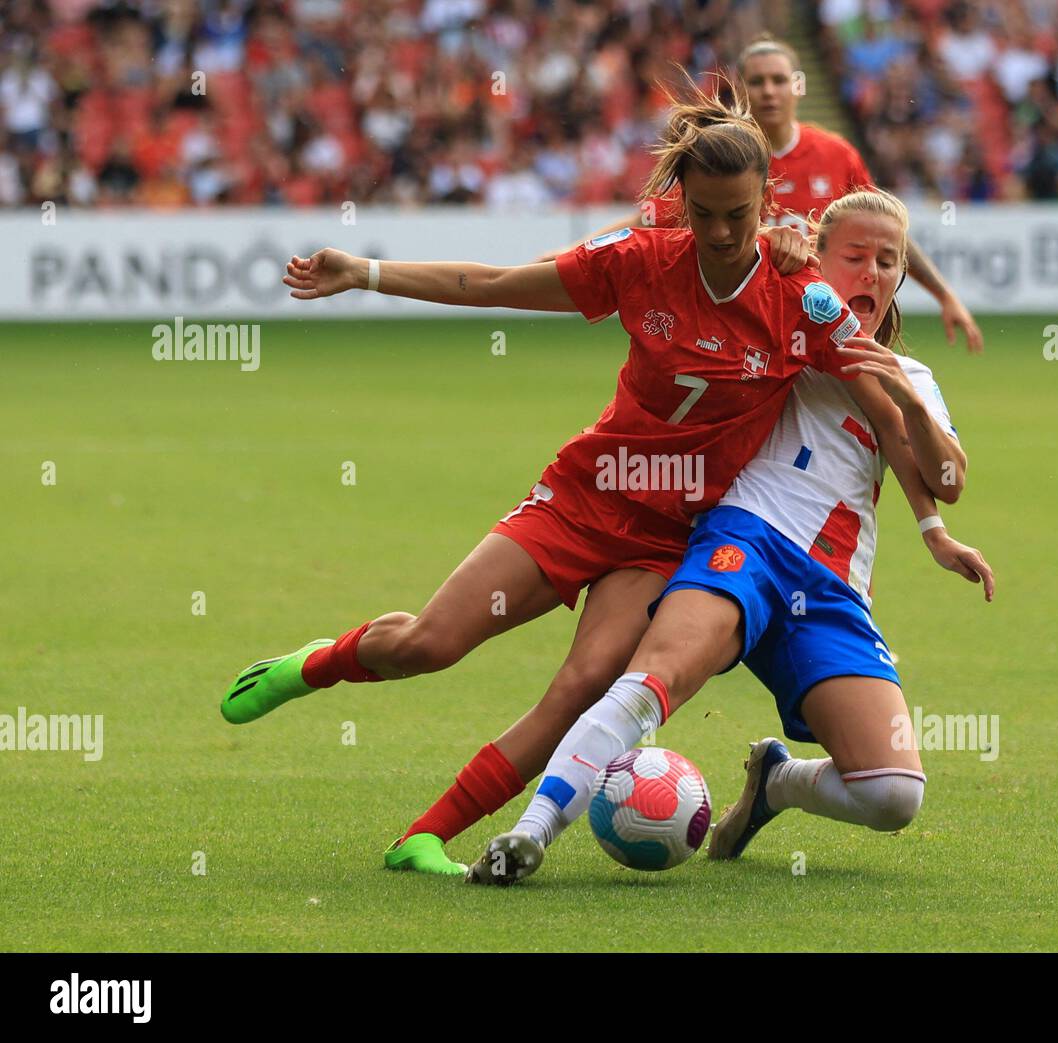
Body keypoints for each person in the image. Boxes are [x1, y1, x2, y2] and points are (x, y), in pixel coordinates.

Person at [219, 80, 885, 877]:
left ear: (766, 198)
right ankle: (314, 664)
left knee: (583, 684)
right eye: (702, 212)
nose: (719, 230)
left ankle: (424, 836)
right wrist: (362, 271)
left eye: (738, 215)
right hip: (584, 496)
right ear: (678, 200)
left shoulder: (793, 289)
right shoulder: (640, 261)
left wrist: (934, 511)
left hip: (668, 536)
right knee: (432, 643)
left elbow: (876, 337)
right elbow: (496, 284)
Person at [465, 186, 994, 884]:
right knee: (654, 680)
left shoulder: (913, 376)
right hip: (743, 539)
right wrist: (778, 237)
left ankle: (777, 782)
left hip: (832, 584)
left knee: (894, 794)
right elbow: (725, 251)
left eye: (888, 261)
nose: (871, 273)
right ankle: (530, 833)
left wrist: (909, 407)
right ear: (818, 255)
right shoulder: (771, 324)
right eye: (855, 256)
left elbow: (949, 475)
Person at [544, 35, 985, 353]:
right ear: (743, 89)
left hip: (812, 332)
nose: (769, 91)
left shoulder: (835, 155)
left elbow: (884, 233)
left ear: (797, 87)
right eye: (758, 82)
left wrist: (944, 295)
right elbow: (648, 221)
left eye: (779, 80)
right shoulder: (722, 158)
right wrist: (573, 254)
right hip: (739, 337)